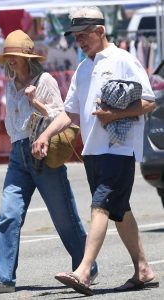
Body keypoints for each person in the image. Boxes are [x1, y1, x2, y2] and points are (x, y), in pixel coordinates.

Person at [32, 6, 159, 296]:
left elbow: (149, 101)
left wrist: (114, 114)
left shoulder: (123, 59)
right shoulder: (83, 66)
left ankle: (84, 270)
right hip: (93, 151)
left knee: (101, 204)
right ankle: (144, 270)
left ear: (101, 31)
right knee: (119, 210)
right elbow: (69, 112)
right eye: (76, 36)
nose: (79, 40)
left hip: (119, 148)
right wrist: (46, 135)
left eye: (84, 34)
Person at [0, 29, 98, 294]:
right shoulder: (10, 85)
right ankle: (1, 278)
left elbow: (61, 116)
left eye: (16, 56)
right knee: (8, 214)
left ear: (28, 58)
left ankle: (86, 267)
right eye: (8, 56)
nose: (11, 60)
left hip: (42, 151)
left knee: (64, 217)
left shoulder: (45, 81)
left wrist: (36, 101)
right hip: (18, 154)